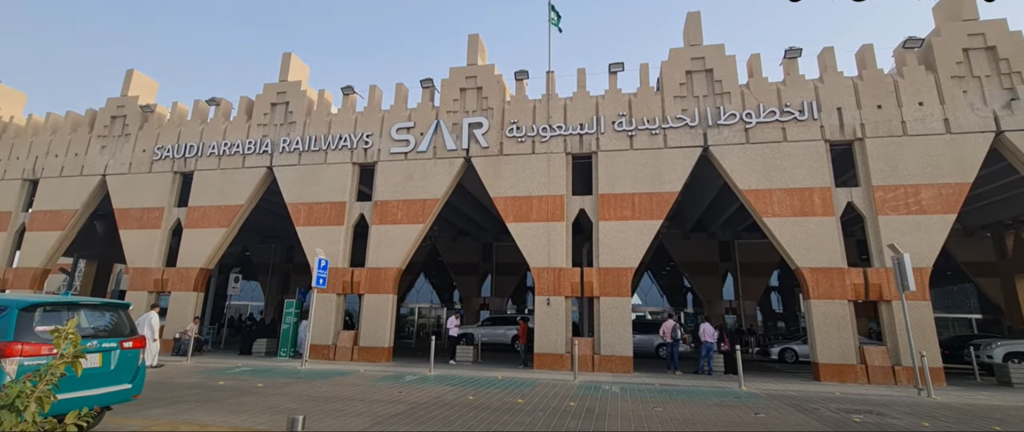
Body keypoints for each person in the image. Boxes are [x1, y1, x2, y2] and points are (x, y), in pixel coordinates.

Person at [134, 303, 162, 368]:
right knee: (154, 349)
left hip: (142, 335)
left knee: (145, 350)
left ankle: (145, 362)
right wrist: (155, 336)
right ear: (156, 308)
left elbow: (136, 323)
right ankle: (153, 363)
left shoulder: (145, 315)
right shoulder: (154, 315)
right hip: (151, 335)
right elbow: (154, 325)